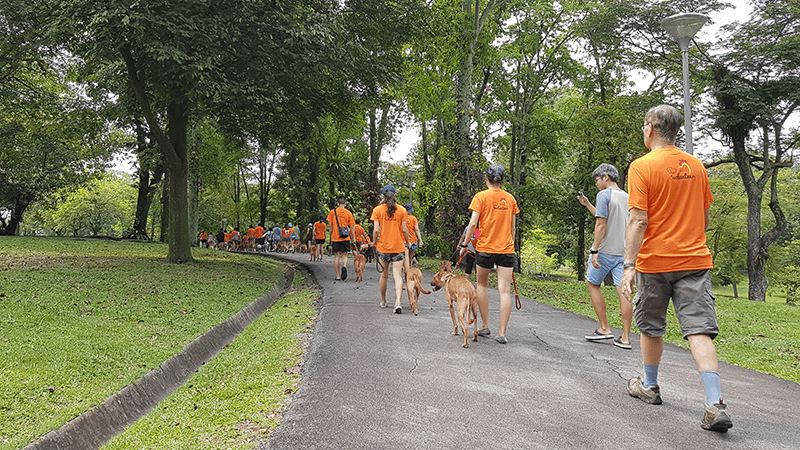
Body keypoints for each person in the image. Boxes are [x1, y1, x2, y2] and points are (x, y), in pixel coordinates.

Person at [622, 104, 732, 432]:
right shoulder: (696, 166)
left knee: (651, 325)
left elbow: (638, 219)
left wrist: (628, 265)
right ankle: (714, 403)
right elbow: (705, 218)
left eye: (644, 126)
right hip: (694, 262)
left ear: (651, 128)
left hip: (654, 262)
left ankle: (650, 386)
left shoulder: (641, 167)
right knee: (699, 329)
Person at [460, 163, 519, 344]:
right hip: (506, 249)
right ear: (501, 180)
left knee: (482, 286)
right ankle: (502, 333)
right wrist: (510, 246)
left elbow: (472, 225)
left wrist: (464, 244)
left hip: (485, 248)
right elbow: (512, 228)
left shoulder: (480, 197)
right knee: (505, 291)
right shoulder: (510, 198)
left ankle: (485, 324)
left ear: (486, 178)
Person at [577, 163, 633, 350]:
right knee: (624, 292)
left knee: (593, 284)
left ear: (606, 177)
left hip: (605, 251)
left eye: (597, 179)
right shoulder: (627, 196)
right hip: (624, 252)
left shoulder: (603, 195)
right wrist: (587, 205)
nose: (596, 184)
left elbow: (601, 224)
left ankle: (604, 328)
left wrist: (594, 251)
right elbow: (604, 216)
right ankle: (625, 338)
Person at [371, 185, 410, 313]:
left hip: (383, 247)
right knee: (397, 275)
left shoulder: (377, 210)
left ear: (383, 195)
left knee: (384, 275)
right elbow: (404, 229)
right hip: (398, 246)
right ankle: (398, 302)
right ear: (395, 195)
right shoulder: (402, 210)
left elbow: (376, 230)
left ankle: (383, 301)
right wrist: (408, 242)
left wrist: (374, 242)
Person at [327, 196, 355, 281]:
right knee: (344, 255)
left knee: (336, 256)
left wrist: (331, 234)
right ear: (346, 203)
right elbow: (352, 227)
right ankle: (344, 266)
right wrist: (353, 237)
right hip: (345, 237)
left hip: (336, 237)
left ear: (337, 203)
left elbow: (330, 225)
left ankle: (338, 275)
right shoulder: (349, 213)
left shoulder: (332, 212)